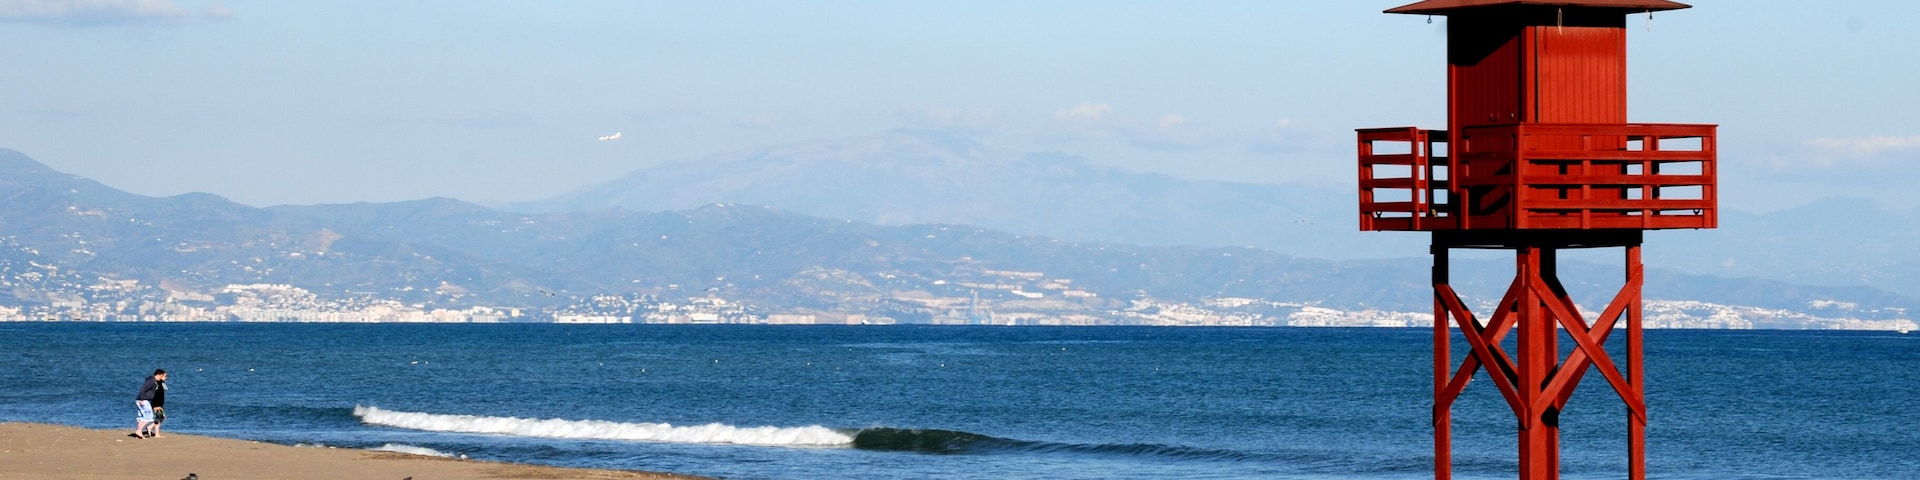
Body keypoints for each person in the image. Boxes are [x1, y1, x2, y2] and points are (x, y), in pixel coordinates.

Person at [133, 369, 165, 439]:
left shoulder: (153, 381)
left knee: (142, 417)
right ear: (159, 375)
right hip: (143, 400)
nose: (162, 378)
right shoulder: (151, 381)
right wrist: (141, 399)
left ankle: (139, 434)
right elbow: (142, 389)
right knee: (148, 417)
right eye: (162, 376)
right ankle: (139, 431)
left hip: (144, 400)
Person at [144, 373, 168, 438]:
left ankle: (150, 427)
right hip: (156, 403)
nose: (166, 377)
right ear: (160, 375)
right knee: (159, 417)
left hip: (160, 403)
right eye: (165, 376)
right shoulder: (155, 383)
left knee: (161, 418)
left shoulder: (161, 383)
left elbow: (165, 389)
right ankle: (156, 434)